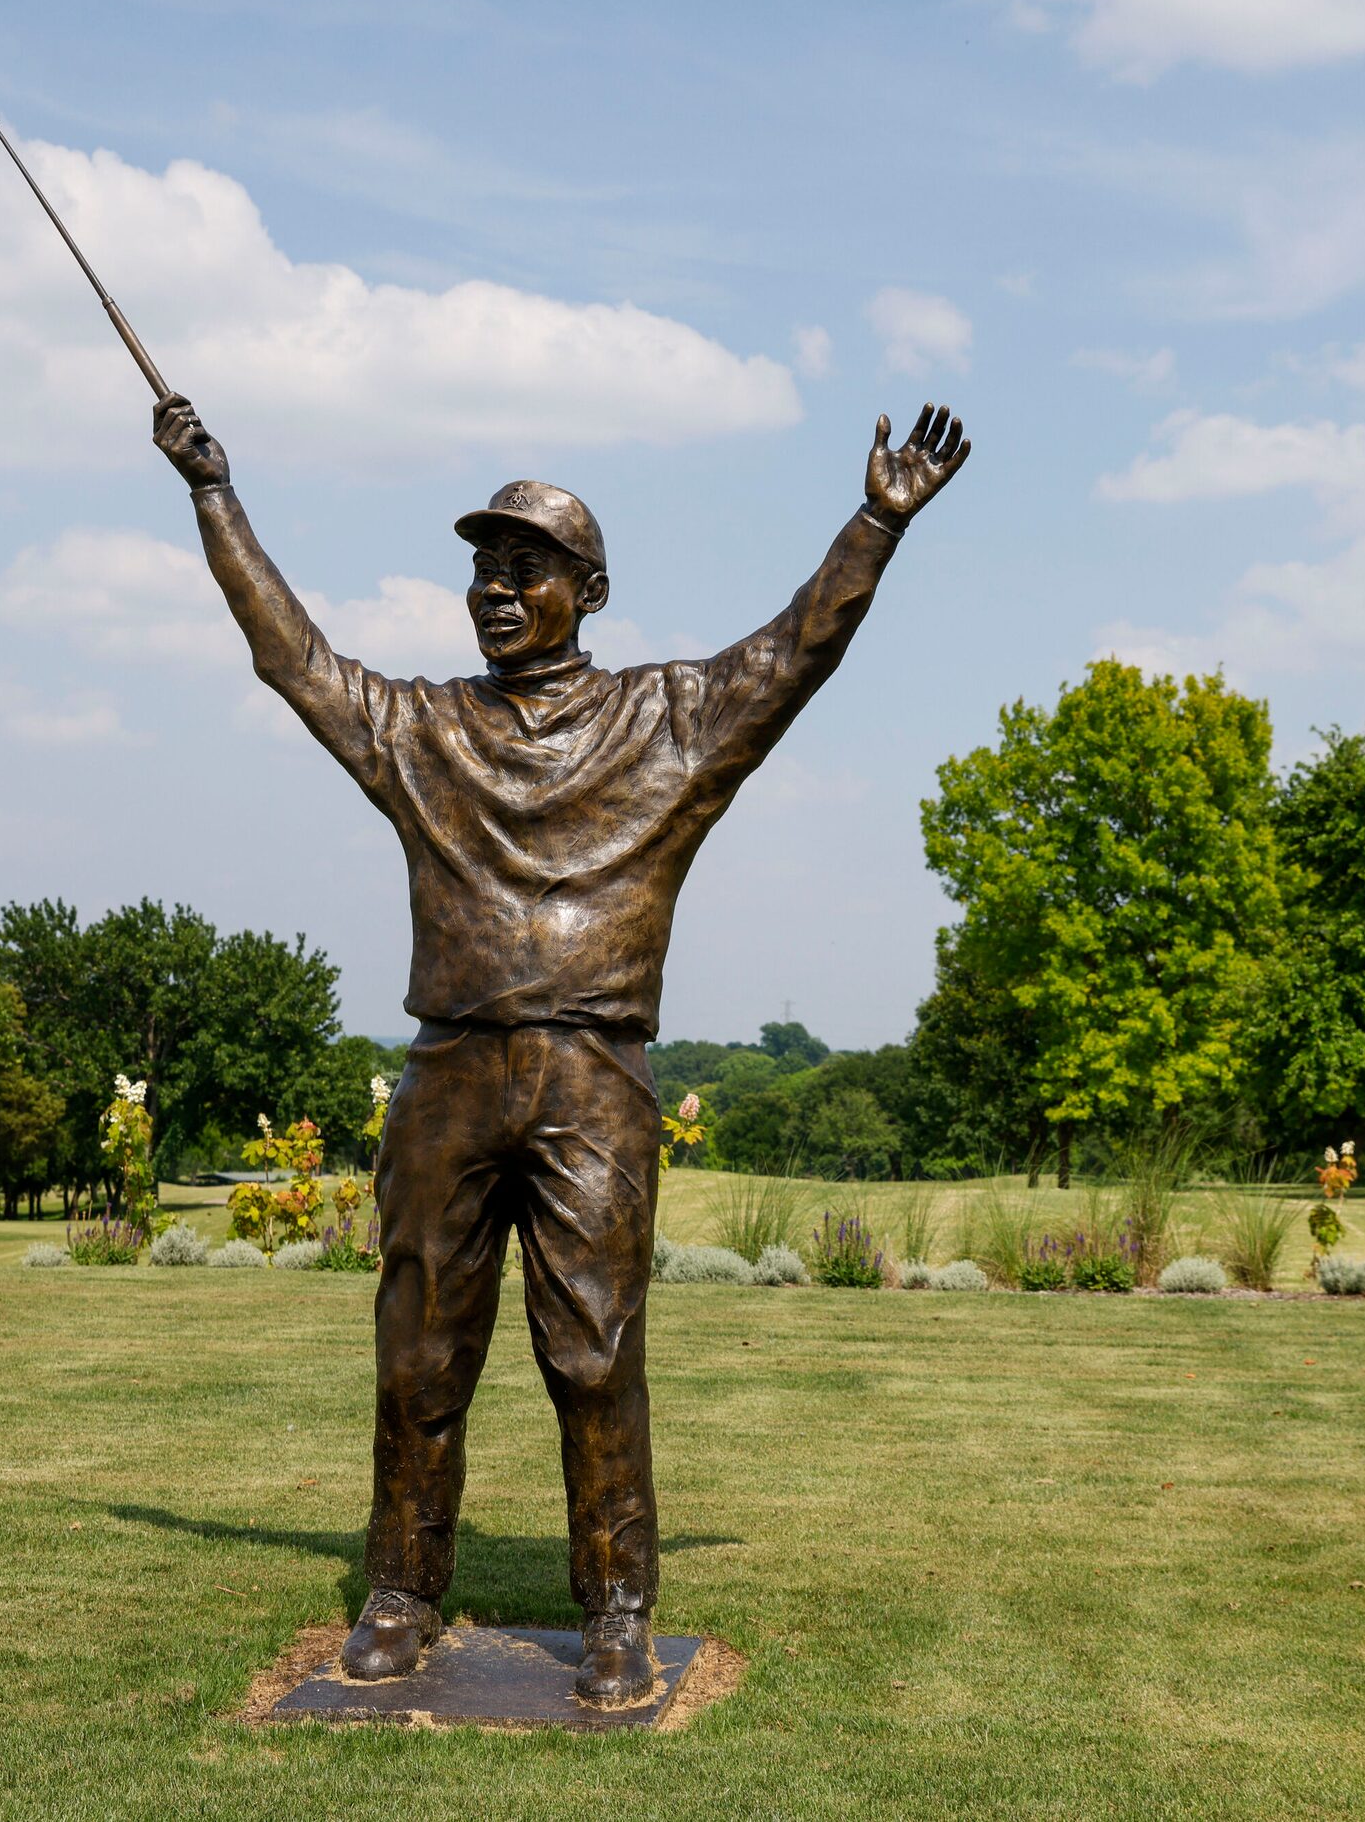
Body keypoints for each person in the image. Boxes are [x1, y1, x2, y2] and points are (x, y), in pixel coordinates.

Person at [153, 395, 969, 1704]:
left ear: (588, 591)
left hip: (592, 1072)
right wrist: (214, 496)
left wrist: (875, 520)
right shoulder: (423, 729)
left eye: (524, 567)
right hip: (450, 1072)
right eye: (482, 565)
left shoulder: (671, 719)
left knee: (594, 1348)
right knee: (420, 1345)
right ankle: (405, 1587)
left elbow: (799, 649)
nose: (493, 587)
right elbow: (293, 657)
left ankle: (620, 1605)